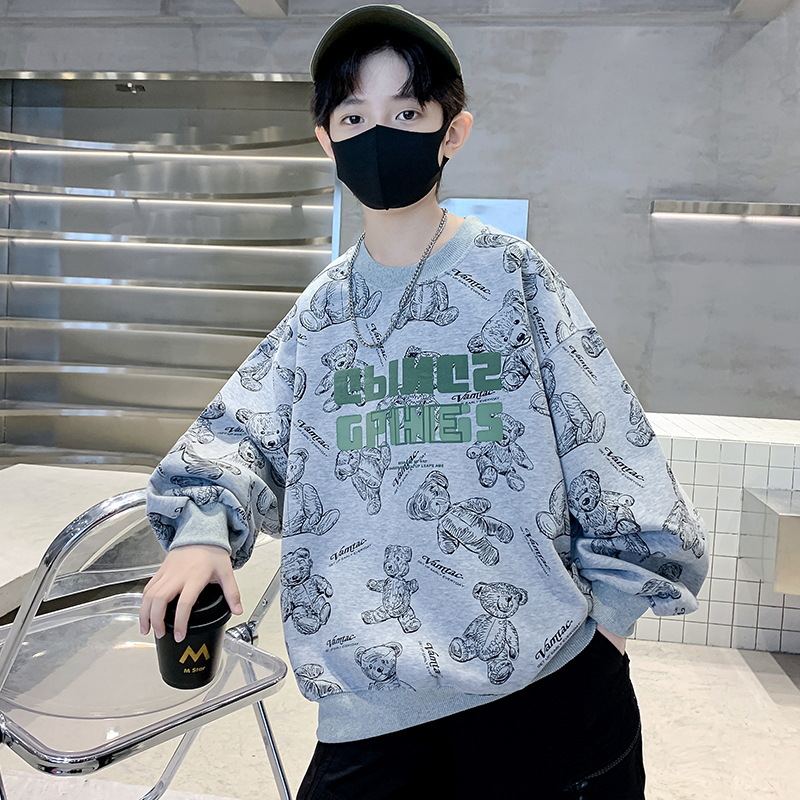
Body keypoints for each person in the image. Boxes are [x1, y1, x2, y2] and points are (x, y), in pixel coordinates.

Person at [140, 5, 710, 798]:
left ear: (453, 132)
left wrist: (612, 618)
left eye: (407, 113)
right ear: (326, 139)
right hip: (370, 710)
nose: (379, 135)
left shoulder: (512, 275)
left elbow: (610, 443)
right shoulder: (321, 311)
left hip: (546, 691)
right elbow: (239, 434)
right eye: (355, 117)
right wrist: (201, 534)